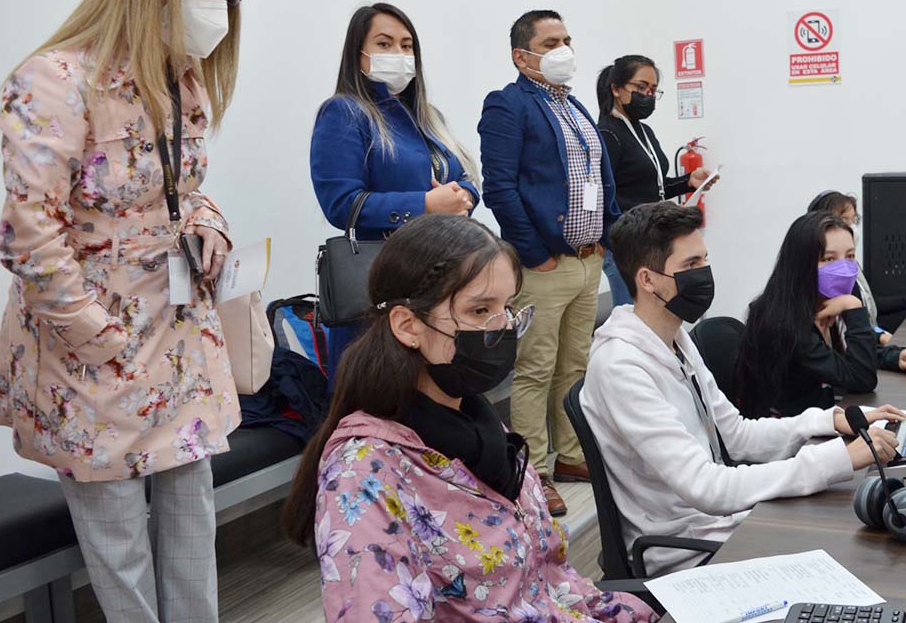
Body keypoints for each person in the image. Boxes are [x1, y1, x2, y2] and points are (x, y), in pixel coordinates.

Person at [0, 0, 247, 621]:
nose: (213, 5)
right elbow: (29, 236)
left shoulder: (180, 80)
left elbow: (181, 191)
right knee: (117, 539)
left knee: (191, 512)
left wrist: (206, 224)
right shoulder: (53, 80)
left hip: (177, 331)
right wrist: (96, 334)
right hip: (92, 344)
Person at [281, 214, 655, 623]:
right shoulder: (365, 472)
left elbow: (552, 582)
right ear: (408, 325)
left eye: (508, 308)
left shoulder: (485, 425)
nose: (503, 328)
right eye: (479, 310)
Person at [581, 202, 904, 575]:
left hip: (719, 525)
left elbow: (736, 434)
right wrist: (841, 459)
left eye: (704, 260)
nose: (703, 273)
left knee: (862, 537)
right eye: (690, 266)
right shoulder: (621, 367)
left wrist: (830, 421)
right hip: (686, 551)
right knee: (859, 553)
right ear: (647, 279)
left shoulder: (675, 340)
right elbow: (707, 486)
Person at [478, 10, 618, 516]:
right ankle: (533, 469)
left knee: (575, 364)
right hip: (544, 264)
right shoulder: (507, 106)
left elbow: (598, 179)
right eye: (551, 41)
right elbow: (500, 187)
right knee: (535, 368)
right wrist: (533, 255)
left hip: (587, 260)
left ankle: (573, 455)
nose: (565, 49)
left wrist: (607, 238)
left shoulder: (574, 106)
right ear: (522, 55)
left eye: (567, 39)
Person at [311, 3, 478, 387]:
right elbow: (342, 204)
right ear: (359, 54)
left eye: (407, 46)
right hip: (381, 284)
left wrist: (463, 196)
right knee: (384, 400)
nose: (399, 55)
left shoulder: (425, 114)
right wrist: (424, 205)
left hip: (440, 279)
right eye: (384, 44)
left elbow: (464, 177)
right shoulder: (345, 112)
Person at [736, 213, 906, 419]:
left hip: (822, 418)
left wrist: (893, 357)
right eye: (829, 259)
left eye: (850, 256)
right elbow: (861, 378)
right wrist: (853, 306)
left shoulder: (822, 302)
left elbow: (843, 357)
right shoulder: (785, 323)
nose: (844, 267)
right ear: (801, 263)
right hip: (792, 439)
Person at [595, 55, 712, 306]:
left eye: (653, 89)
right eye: (640, 87)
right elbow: (601, 195)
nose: (647, 95)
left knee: (657, 312)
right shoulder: (607, 134)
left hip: (651, 241)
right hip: (625, 245)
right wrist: (609, 241)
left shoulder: (643, 130)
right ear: (616, 88)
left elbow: (651, 187)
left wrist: (688, 181)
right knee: (634, 316)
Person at [808, 190, 906, 338]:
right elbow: (847, 324)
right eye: (844, 220)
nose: (852, 227)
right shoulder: (832, 274)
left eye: (854, 220)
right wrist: (879, 336)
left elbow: (870, 305)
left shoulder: (851, 265)